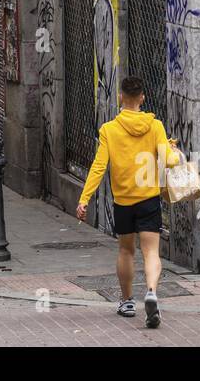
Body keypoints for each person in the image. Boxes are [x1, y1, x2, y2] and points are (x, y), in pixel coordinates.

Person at [76, 75, 180, 328]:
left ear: (120, 97)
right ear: (142, 98)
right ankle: (152, 291)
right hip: (149, 198)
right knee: (151, 252)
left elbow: (99, 167)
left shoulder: (109, 130)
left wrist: (84, 199)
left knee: (126, 250)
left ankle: (126, 301)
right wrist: (173, 152)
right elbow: (169, 161)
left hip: (123, 201)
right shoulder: (155, 126)